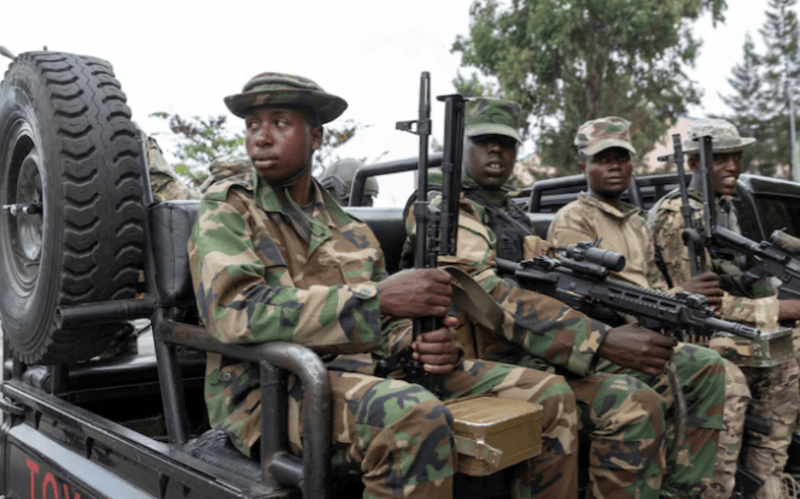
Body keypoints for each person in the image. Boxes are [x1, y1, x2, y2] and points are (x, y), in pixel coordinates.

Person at [188, 73, 582, 499]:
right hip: (269, 392)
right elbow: (234, 313)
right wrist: (377, 301)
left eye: (279, 123)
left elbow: (389, 323)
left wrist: (420, 345)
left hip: (362, 373)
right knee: (411, 416)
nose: (261, 138)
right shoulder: (228, 210)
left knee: (549, 395)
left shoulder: (350, 228)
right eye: (253, 126)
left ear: (316, 136)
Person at [403, 98, 676, 499]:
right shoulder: (443, 210)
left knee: (657, 385)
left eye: (507, 143)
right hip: (460, 362)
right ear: (460, 149)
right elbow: (486, 292)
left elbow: (551, 285)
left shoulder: (513, 214)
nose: (497, 151)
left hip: (521, 352)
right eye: (485, 141)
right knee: (614, 401)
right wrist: (600, 338)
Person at [547, 116, 736, 499]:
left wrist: (682, 299)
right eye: (603, 159)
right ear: (582, 165)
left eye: (622, 157)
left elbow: (652, 285)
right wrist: (673, 296)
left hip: (646, 332)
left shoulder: (635, 223)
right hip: (602, 341)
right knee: (693, 375)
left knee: (710, 366)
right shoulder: (573, 220)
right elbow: (588, 297)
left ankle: (683, 489)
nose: (615, 166)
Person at [648, 118, 800, 499]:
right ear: (697, 164)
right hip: (686, 333)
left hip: (721, 329)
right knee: (776, 362)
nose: (734, 166)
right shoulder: (680, 215)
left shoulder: (723, 209)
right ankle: (722, 488)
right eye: (722, 158)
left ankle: (767, 478)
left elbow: (736, 283)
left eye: (737, 156)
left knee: (791, 349)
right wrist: (776, 310)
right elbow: (700, 303)